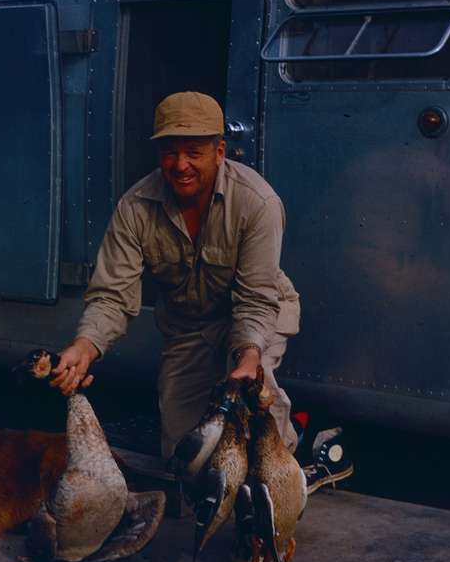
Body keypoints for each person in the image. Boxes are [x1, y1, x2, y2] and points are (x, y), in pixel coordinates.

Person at [50, 91, 301, 459]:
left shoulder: (257, 203)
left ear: (219, 152)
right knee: (185, 455)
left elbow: (256, 300)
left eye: (194, 153)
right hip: (190, 326)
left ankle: (279, 488)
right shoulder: (135, 208)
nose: (180, 165)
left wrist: (248, 358)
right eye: (170, 152)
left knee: (256, 406)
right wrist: (86, 346)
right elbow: (111, 297)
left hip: (257, 318)